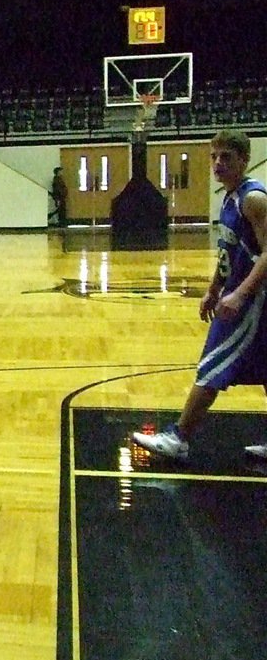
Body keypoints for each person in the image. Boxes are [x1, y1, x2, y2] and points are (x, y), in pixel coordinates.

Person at [131, 131, 267, 463]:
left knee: (211, 365)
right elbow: (229, 252)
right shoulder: (229, 196)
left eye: (227, 157)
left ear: (244, 160)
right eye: (214, 156)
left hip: (252, 299)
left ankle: (179, 438)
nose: (218, 163)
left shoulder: (254, 199)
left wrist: (237, 294)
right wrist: (212, 289)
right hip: (240, 295)